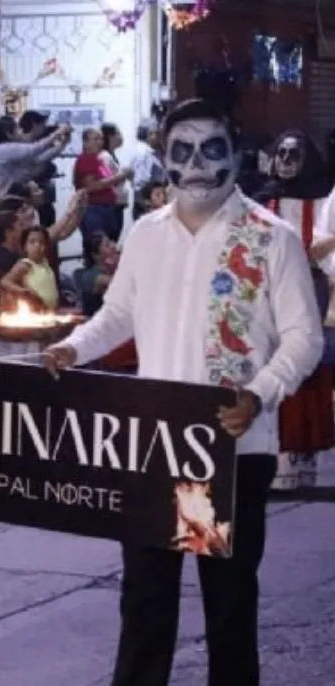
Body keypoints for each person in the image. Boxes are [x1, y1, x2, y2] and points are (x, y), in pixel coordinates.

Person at [44, 98, 324, 686]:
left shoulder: (271, 238)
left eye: (211, 149)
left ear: (236, 151)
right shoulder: (146, 234)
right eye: (182, 151)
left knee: (227, 608)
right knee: (145, 603)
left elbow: (303, 337)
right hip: (154, 448)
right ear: (163, 158)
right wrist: (73, 347)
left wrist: (260, 393)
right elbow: (117, 315)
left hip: (230, 453)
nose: (196, 165)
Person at [255, 131, 335, 490]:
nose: (285, 161)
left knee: (307, 370)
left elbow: (325, 247)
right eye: (281, 153)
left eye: (293, 154)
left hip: (311, 293)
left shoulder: (323, 201)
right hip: (267, 298)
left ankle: (304, 455)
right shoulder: (260, 201)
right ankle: (273, 454)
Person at [73, 128, 133, 242]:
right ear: (85, 142)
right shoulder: (85, 160)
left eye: (100, 139)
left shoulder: (98, 158)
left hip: (107, 208)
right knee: (97, 247)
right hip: (94, 210)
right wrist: (121, 176)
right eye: (95, 139)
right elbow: (93, 186)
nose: (99, 142)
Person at [0, 115, 70, 193]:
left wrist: (63, 144)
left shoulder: (7, 148)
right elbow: (34, 149)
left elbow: (38, 159)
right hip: (3, 194)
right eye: (17, 129)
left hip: (10, 192)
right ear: (8, 134)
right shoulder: (4, 149)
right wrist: (57, 133)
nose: (20, 131)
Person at [0, 225, 59, 311]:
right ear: (25, 247)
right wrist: (23, 291)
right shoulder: (25, 264)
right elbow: (5, 281)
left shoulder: (45, 263)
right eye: (32, 242)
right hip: (35, 311)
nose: (37, 245)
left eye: (41, 242)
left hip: (50, 311)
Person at [19, 110, 59, 227]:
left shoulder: (37, 141)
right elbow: (33, 169)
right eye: (42, 124)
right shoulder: (23, 144)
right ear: (34, 124)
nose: (44, 127)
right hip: (30, 194)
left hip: (43, 196)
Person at [75, 231, 119, 317]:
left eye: (111, 242)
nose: (113, 246)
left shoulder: (112, 269)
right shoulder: (92, 275)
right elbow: (120, 284)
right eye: (107, 245)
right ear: (96, 255)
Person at [130, 118, 165, 220]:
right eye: (153, 133)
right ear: (146, 136)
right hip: (147, 207)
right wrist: (147, 206)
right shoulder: (142, 154)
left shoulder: (160, 153)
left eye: (159, 133)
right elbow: (139, 185)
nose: (157, 137)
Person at [100, 123, 129, 236]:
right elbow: (107, 180)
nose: (121, 137)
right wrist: (124, 174)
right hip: (111, 205)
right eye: (118, 133)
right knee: (111, 236)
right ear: (110, 136)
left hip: (117, 204)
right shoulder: (105, 156)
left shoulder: (111, 155)